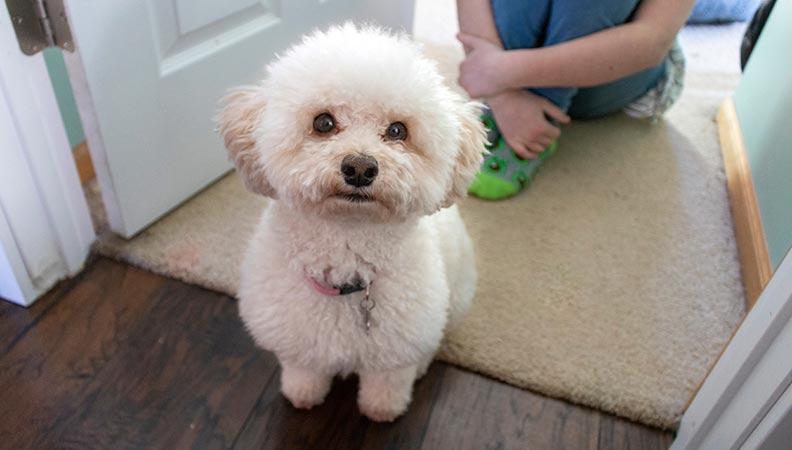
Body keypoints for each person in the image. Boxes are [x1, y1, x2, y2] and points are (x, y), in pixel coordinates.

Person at [456, 0, 695, 200]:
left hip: (613, 72)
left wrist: (502, 72)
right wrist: (502, 97)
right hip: (505, 60)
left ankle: (540, 118)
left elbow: (651, 41)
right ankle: (508, 109)